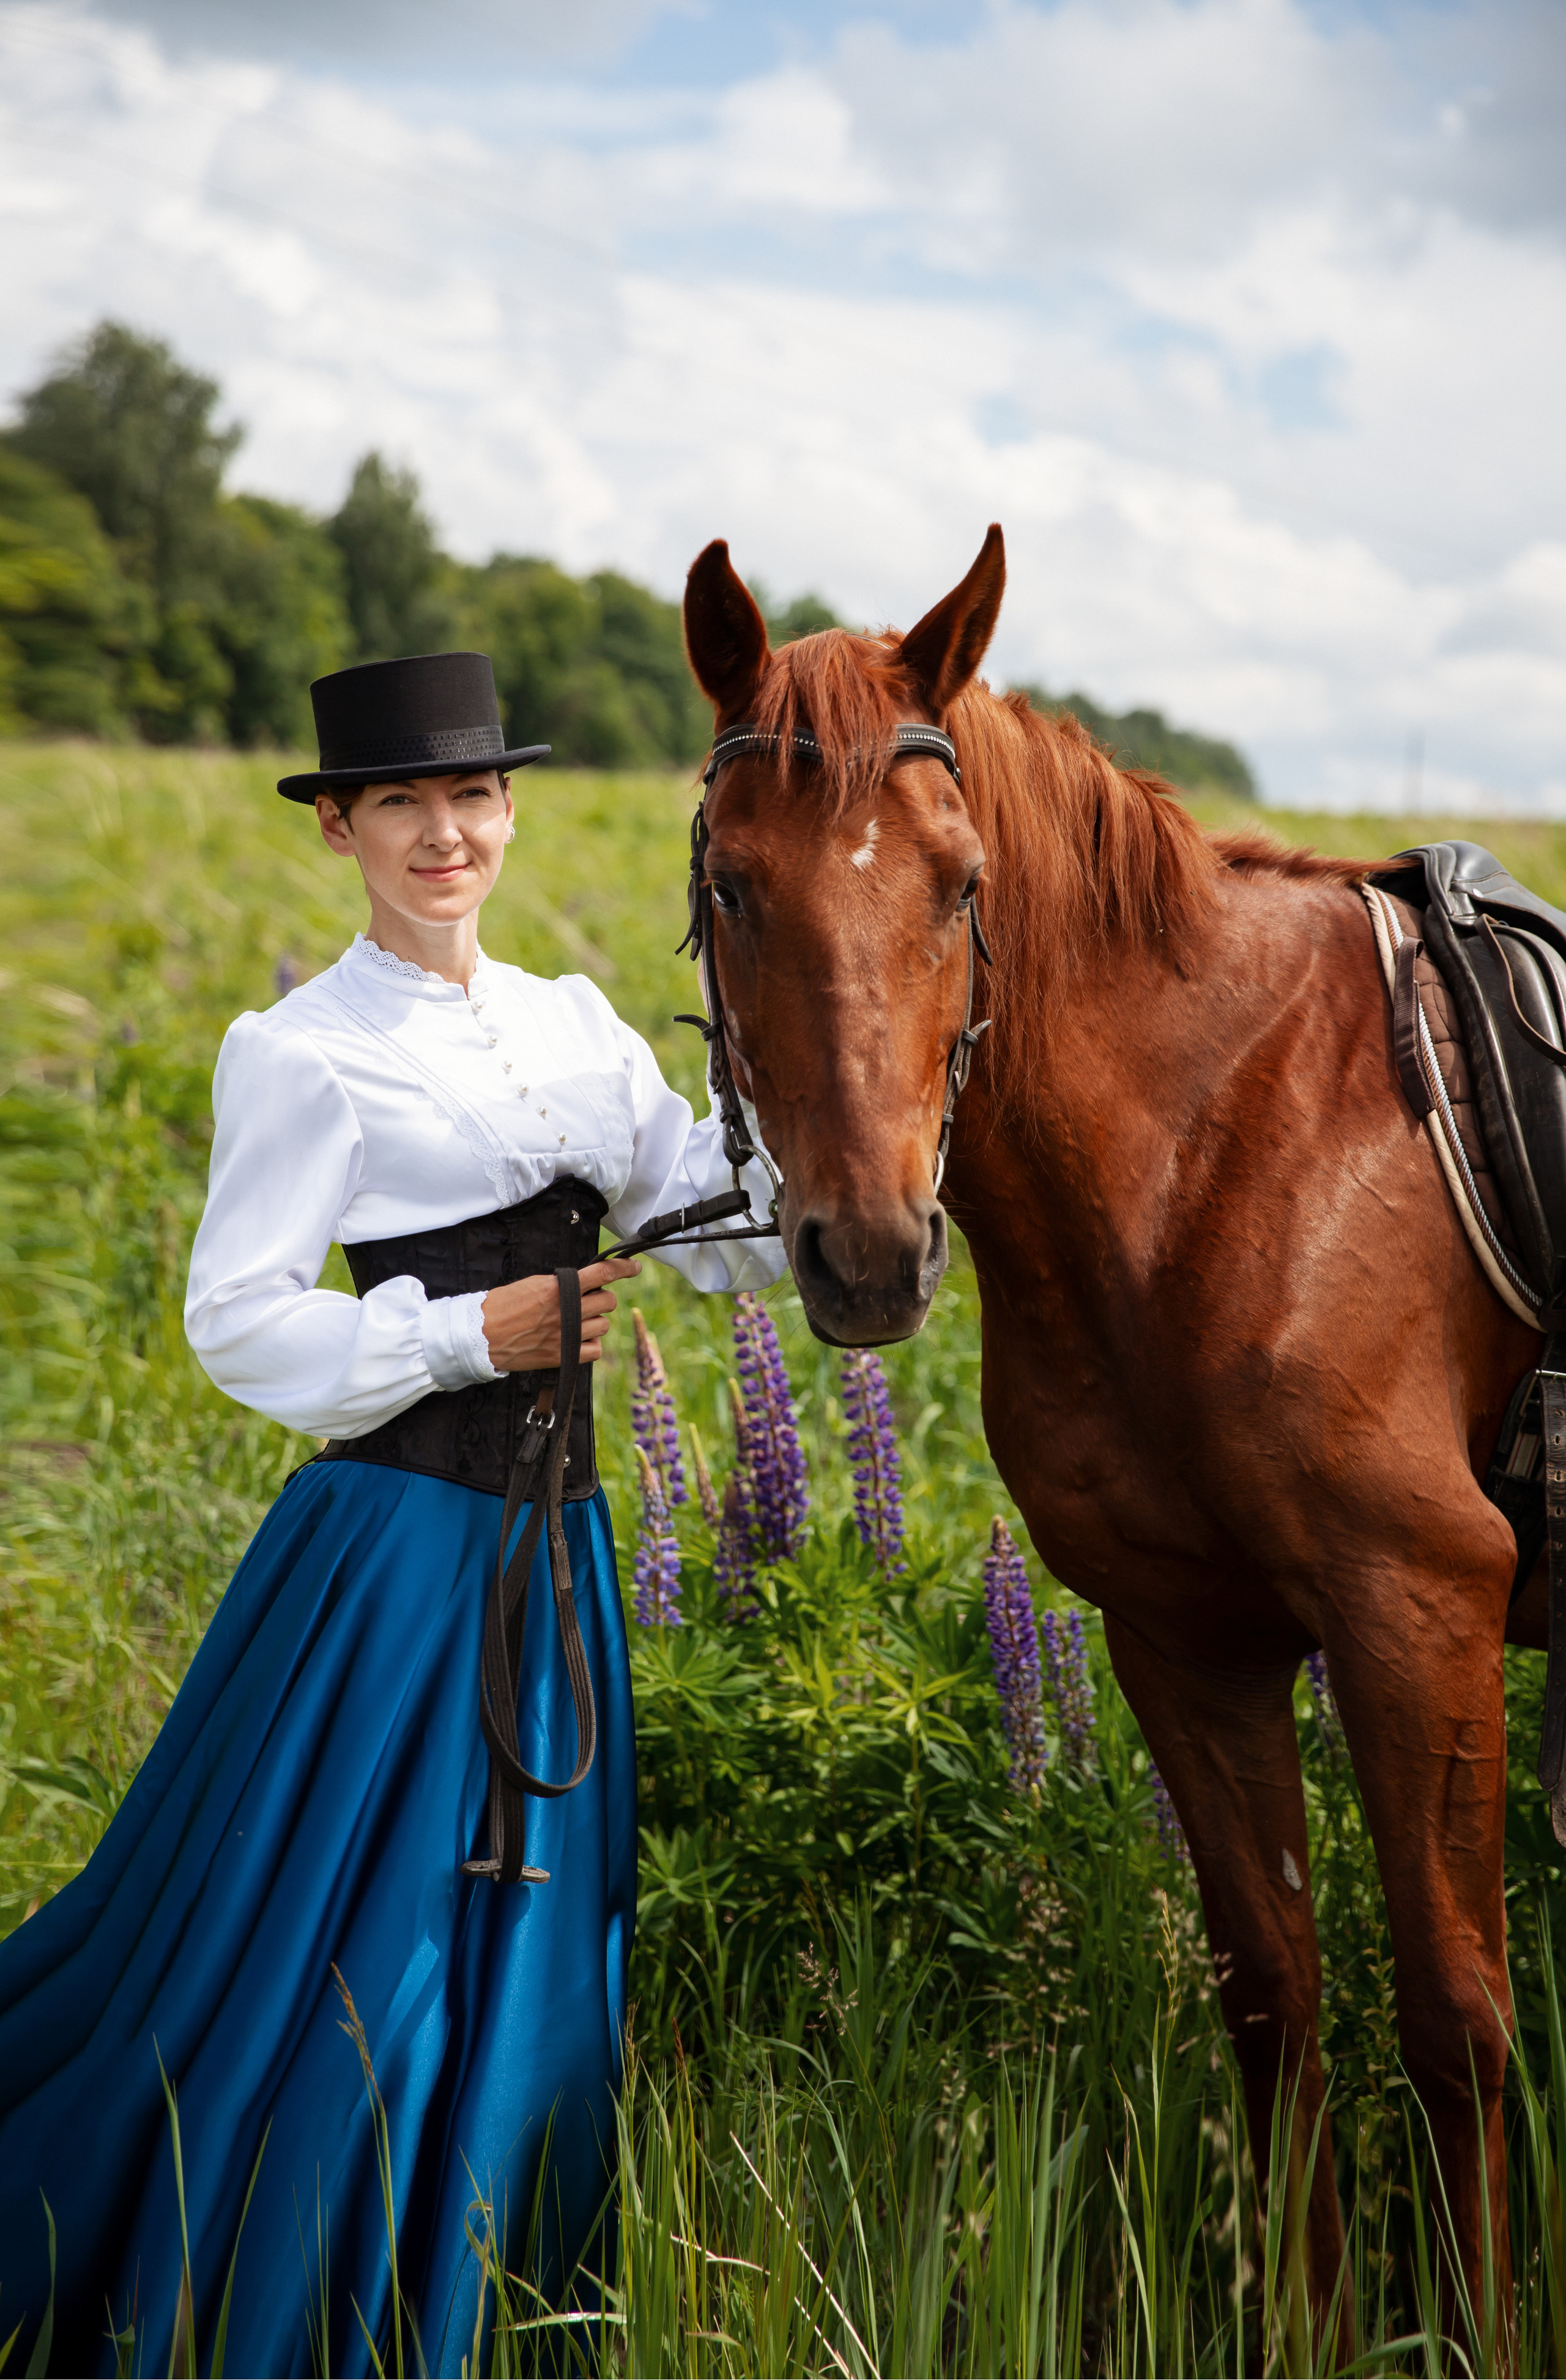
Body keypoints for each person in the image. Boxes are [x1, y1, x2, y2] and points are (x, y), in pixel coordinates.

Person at [0, 651, 785, 2375]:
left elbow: (725, 1236)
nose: (450, 832)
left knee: (530, 1944)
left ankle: (497, 2294)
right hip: (396, 1568)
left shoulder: (577, 1023)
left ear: (510, 810)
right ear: (343, 826)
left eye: (478, 795)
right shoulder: (304, 1051)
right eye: (408, 803)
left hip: (557, 1561)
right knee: (337, 1965)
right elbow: (239, 1319)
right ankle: (305, 2296)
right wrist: (461, 1333)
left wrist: (836, 1114)